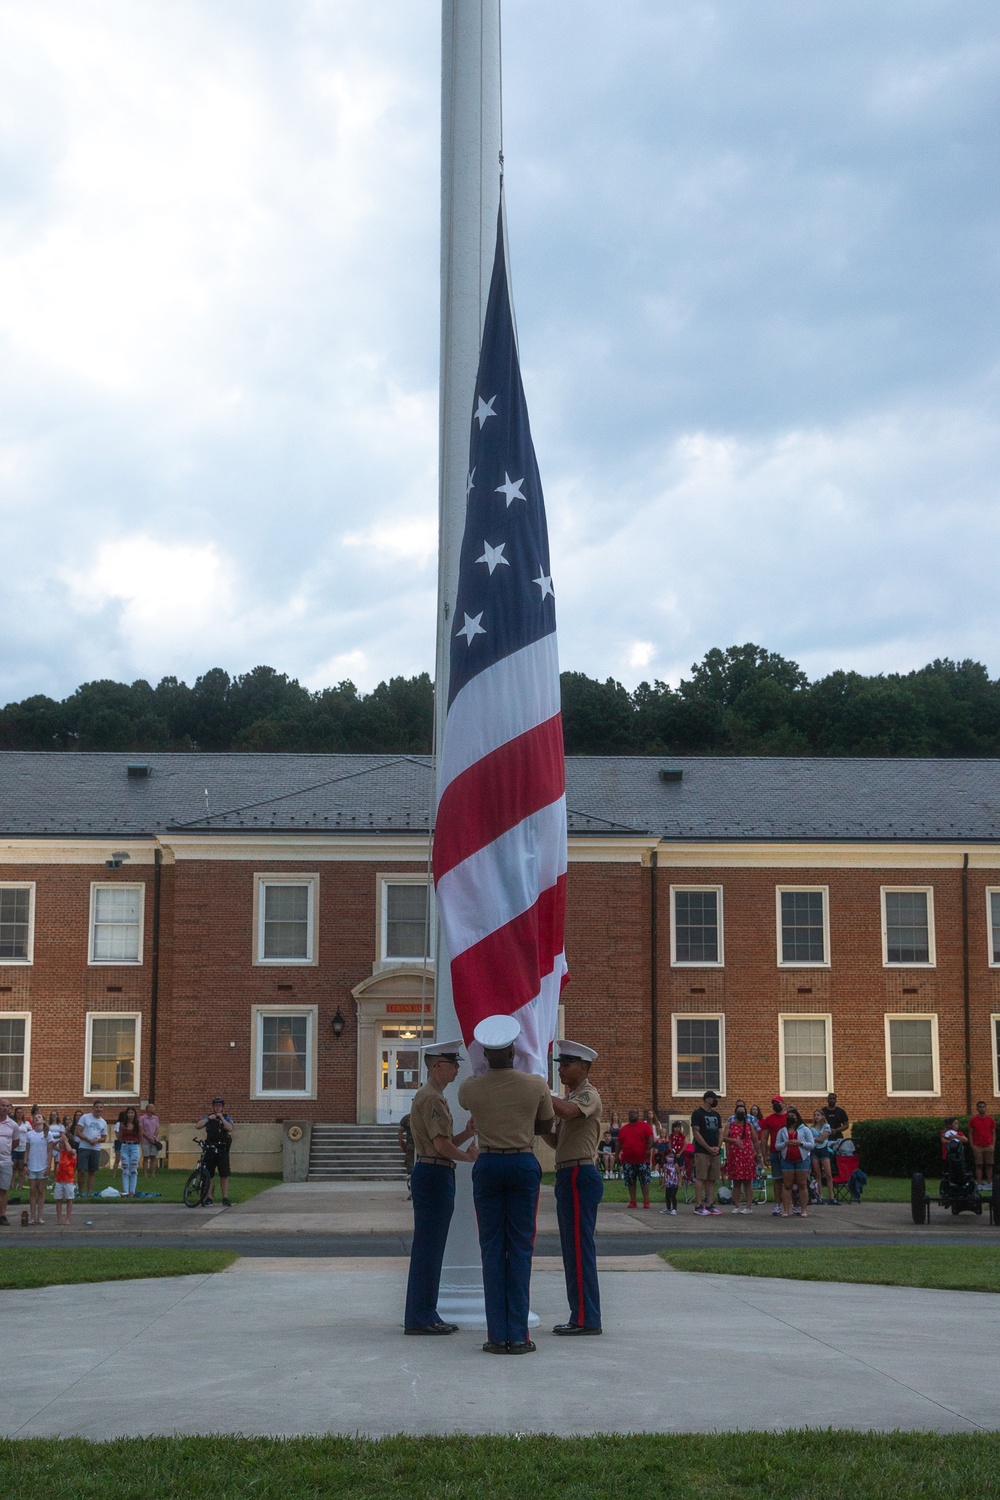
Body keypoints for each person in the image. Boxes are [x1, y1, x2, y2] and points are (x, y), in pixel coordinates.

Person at [458, 1014, 554, 1355]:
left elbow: (466, 1105)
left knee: (492, 1248)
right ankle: (520, 1334)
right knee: (521, 1248)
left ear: (485, 1054)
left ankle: (497, 1335)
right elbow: (544, 1126)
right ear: (513, 1050)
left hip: (488, 1163)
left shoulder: (471, 1087)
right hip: (522, 1162)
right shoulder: (535, 1086)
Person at [403, 1039, 477, 1336]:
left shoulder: (433, 1095)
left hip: (433, 1172)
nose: (457, 1067)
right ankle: (420, 1317)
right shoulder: (432, 1098)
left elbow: (441, 1143)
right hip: (434, 1175)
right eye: (452, 1062)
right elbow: (440, 1146)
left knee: (431, 1249)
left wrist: (464, 1135)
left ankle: (425, 1313)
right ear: (437, 1066)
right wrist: (468, 1157)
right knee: (429, 1249)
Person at [542, 1039, 603, 1336]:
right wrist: (540, 1128)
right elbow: (557, 1141)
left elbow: (566, 1113)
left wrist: (540, 1089)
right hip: (568, 1174)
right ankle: (580, 1314)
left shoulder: (588, 1095)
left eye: (566, 1065)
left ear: (583, 1067)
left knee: (579, 1248)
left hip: (581, 1173)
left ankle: (586, 1318)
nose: (562, 1071)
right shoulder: (572, 1097)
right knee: (571, 1248)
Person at [775, 1108, 814, 1218]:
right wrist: (785, 1144)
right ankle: (786, 1210)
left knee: (802, 1184)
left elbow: (811, 1144)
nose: (790, 1118)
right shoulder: (782, 1130)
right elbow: (777, 1146)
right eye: (789, 1116)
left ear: (797, 1118)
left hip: (802, 1159)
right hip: (787, 1160)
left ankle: (803, 1209)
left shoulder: (805, 1129)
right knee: (787, 1185)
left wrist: (800, 1143)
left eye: (793, 1116)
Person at [195, 1097, 234, 1206]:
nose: (217, 1107)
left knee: (224, 1175)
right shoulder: (208, 1117)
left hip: (222, 1149)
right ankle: (209, 1197)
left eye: (220, 1106)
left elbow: (230, 1128)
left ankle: (225, 1197)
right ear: (213, 1107)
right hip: (210, 1149)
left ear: (222, 1107)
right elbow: (197, 1125)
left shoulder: (226, 1118)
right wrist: (208, 1119)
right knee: (209, 1174)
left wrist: (221, 1118)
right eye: (216, 1105)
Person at [690, 1090, 723, 1216]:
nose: (716, 1102)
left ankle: (710, 1204)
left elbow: (720, 1131)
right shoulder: (697, 1113)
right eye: (714, 1099)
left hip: (715, 1152)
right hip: (702, 1151)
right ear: (708, 1099)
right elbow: (696, 1133)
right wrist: (708, 1147)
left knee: (712, 1178)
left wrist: (718, 1147)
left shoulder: (716, 1114)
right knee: (701, 1177)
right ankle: (698, 1205)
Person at [617, 1107, 654, 1209]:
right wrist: (616, 1154)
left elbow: (650, 1138)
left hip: (642, 1159)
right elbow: (619, 1142)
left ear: (638, 1115)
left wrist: (648, 1149)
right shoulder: (624, 1129)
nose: (632, 1115)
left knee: (644, 1181)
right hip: (628, 1160)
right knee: (630, 1181)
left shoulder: (645, 1126)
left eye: (634, 1113)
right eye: (630, 1113)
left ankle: (646, 1201)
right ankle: (633, 1200)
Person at [723, 1103, 757, 1214]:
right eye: (739, 1112)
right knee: (736, 1182)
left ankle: (748, 1206)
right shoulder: (730, 1125)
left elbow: (755, 1140)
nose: (741, 1114)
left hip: (747, 1156)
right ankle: (736, 1205)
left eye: (743, 1112)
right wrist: (734, 1141)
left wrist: (759, 1154)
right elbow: (723, 1137)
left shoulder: (749, 1126)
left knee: (748, 1182)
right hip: (734, 1156)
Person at [759, 1096, 789, 1216]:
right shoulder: (769, 1120)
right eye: (773, 1103)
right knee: (777, 1179)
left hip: (788, 1152)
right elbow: (764, 1137)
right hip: (775, 1152)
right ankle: (777, 1204)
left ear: (783, 1103)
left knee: (789, 1180)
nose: (775, 1105)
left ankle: (791, 1204)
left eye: (777, 1103)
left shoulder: (790, 1117)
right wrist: (765, 1155)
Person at [76, 1102, 108, 1197]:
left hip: (95, 1148)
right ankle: (80, 1192)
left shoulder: (103, 1122)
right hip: (84, 1147)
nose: (99, 1109)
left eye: (101, 1107)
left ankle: (89, 1194)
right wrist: (87, 1139)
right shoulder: (85, 1118)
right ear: (93, 1108)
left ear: (102, 1109)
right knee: (81, 1170)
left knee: (92, 1171)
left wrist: (98, 1140)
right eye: (97, 1107)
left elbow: (104, 1137)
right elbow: (78, 1131)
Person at [24, 1110, 51, 1224]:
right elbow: (27, 1150)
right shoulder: (29, 1134)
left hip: (42, 1166)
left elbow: (49, 1152)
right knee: (32, 1191)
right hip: (31, 1166)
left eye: (39, 1117)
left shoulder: (47, 1135)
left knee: (41, 1191)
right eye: (35, 1117)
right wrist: (25, 1164)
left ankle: (40, 1216)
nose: (37, 1119)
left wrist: (48, 1166)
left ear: (44, 1120)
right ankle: (32, 1216)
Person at [0, 1098, 20, 1226]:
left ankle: (2, 1215)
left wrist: (5, 1151)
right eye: (3, 1105)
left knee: (3, 1189)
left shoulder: (13, 1125)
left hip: (6, 1161)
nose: (5, 1108)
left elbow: (16, 1142)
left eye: (8, 1106)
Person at [811, 1108, 836, 1205]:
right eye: (815, 1115)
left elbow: (822, 1139)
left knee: (828, 1174)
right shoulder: (812, 1128)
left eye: (818, 1115)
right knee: (818, 1174)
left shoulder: (826, 1126)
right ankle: (820, 1196)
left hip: (823, 1150)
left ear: (822, 1116)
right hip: (815, 1151)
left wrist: (813, 1139)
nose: (816, 1117)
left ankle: (831, 1196)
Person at [53, 1131, 78, 1226]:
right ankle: (59, 1219)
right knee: (58, 1199)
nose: (61, 1144)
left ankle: (67, 1219)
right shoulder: (61, 1151)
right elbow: (52, 1145)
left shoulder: (73, 1152)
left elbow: (70, 1150)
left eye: (63, 1143)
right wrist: (60, 1139)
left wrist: (66, 1140)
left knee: (69, 1199)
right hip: (59, 1179)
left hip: (69, 1180)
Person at [968, 1101, 996, 1183]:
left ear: (986, 1108)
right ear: (977, 1108)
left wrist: (993, 1145)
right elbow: (970, 1133)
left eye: (983, 1107)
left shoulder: (990, 1120)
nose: (982, 1108)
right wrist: (972, 1145)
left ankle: (989, 1182)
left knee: (989, 1164)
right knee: (979, 1165)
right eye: (980, 1107)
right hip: (977, 1146)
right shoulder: (973, 1120)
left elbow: (993, 1133)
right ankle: (979, 1182)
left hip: (988, 1145)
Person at [119, 1106, 142, 1198]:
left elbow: (140, 1137)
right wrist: (124, 1142)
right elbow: (120, 1137)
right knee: (125, 1169)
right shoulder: (122, 1125)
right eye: (129, 1113)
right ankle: (125, 1191)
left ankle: (132, 1191)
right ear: (126, 1114)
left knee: (133, 1170)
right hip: (125, 1147)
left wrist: (135, 1142)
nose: (130, 1115)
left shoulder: (138, 1125)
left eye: (132, 1113)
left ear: (134, 1114)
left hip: (134, 1147)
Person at [397, 1111, 416, 1200]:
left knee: (411, 1171)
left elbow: (400, 1132)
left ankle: (413, 1192)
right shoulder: (408, 1118)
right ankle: (413, 1191)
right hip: (415, 1149)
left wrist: (401, 1144)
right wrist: (402, 1144)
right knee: (410, 1171)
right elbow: (400, 1132)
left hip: (415, 1149)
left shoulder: (408, 1118)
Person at [140, 1102, 161, 1179]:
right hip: (145, 1140)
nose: (154, 1109)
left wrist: (154, 1136)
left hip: (154, 1140)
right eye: (152, 1107)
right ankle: (145, 1174)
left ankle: (152, 1174)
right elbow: (141, 1130)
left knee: (153, 1157)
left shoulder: (156, 1118)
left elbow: (157, 1128)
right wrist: (148, 1137)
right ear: (148, 1109)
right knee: (146, 1157)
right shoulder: (142, 1118)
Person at [11, 1106, 27, 1195]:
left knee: (21, 1168)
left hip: (23, 1148)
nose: (19, 1114)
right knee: (13, 1168)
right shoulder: (12, 1123)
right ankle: (12, 1187)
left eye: (21, 1112)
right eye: (18, 1112)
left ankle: (20, 1187)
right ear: (15, 1114)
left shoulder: (27, 1123)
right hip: (14, 1147)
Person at [659, 1148, 679, 1215]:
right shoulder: (665, 1166)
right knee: (667, 1196)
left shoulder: (675, 1165)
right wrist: (663, 1182)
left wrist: (680, 1182)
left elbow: (679, 1174)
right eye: (669, 1157)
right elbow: (665, 1174)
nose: (671, 1158)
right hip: (668, 1183)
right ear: (665, 1157)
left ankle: (674, 1209)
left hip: (674, 1183)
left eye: (672, 1157)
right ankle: (668, 1208)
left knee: (673, 1196)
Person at [46, 1109, 64, 1180]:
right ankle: (47, 1176)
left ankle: (56, 1177)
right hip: (50, 1144)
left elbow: (62, 1135)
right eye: (52, 1115)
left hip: (58, 1144)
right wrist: (57, 1135)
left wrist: (55, 1136)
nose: (53, 1116)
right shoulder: (48, 1125)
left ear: (57, 1116)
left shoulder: (60, 1125)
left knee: (57, 1162)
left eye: (55, 1115)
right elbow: (47, 1134)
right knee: (49, 1161)